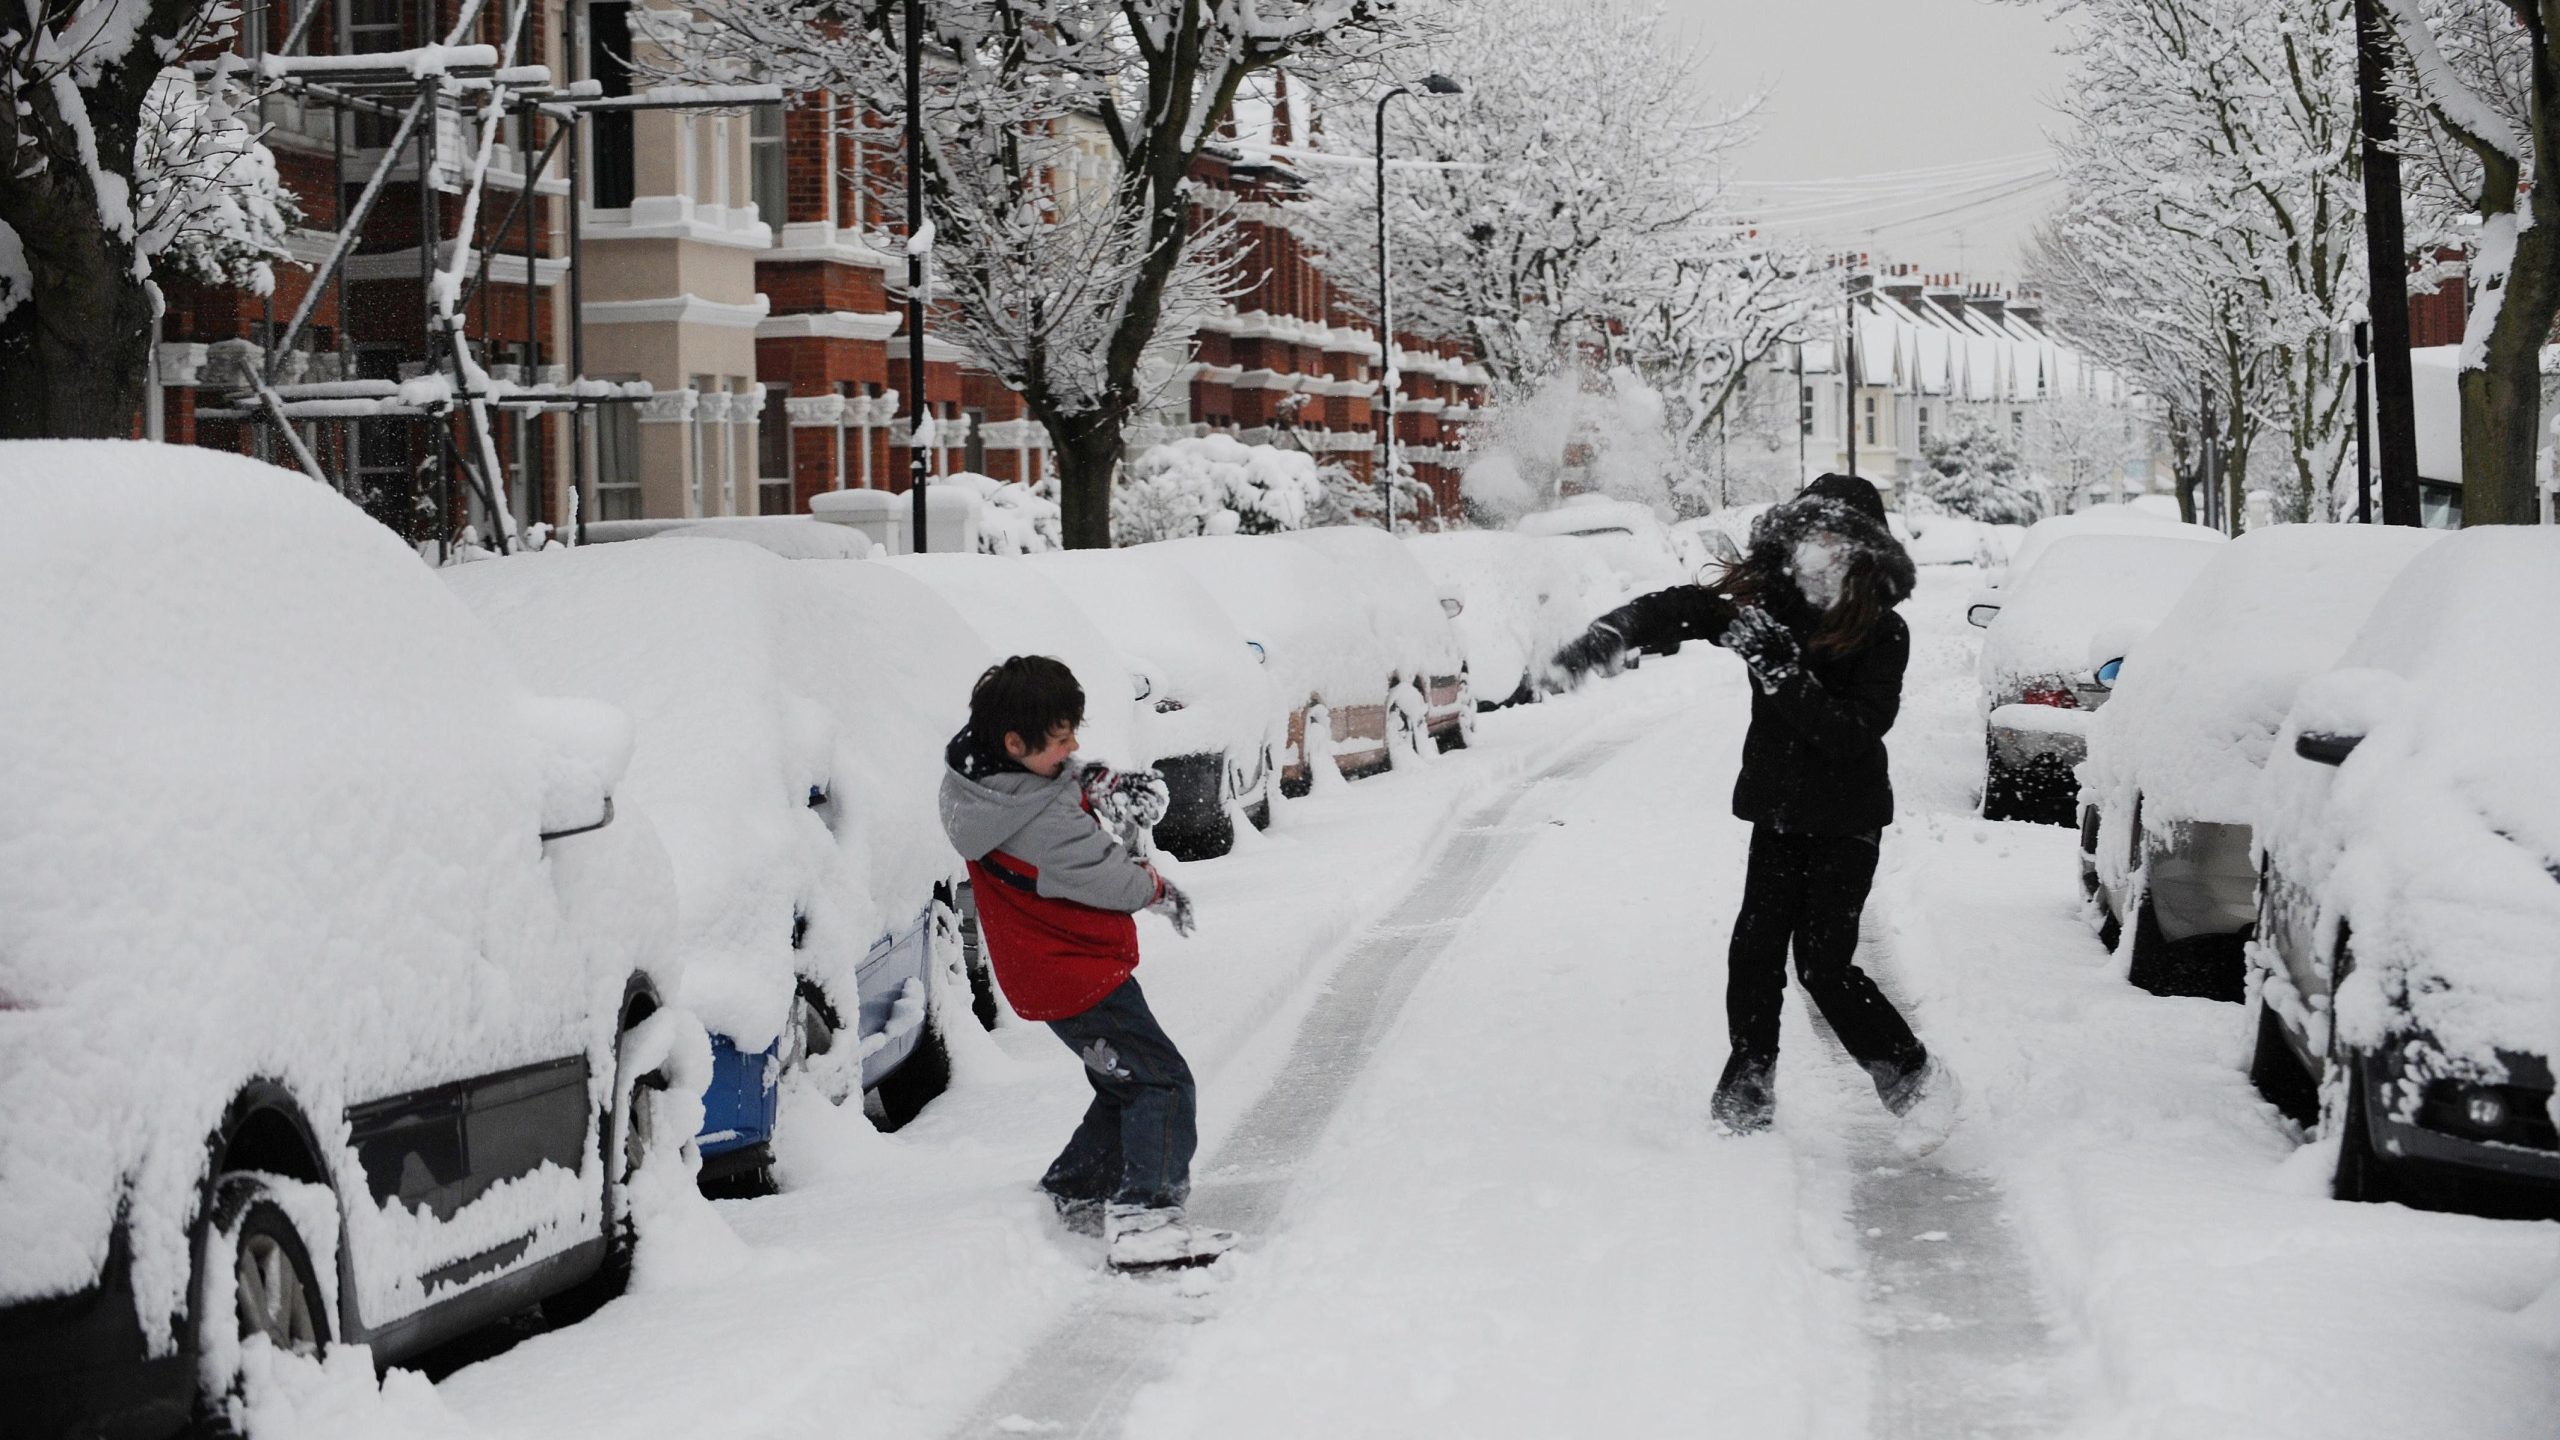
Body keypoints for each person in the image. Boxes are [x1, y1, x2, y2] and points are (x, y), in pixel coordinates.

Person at [1552, 475, 1960, 1151]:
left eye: (1836, 539)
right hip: (1777, 812)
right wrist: (1611, 633)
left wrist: (1783, 673)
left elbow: (1854, 733)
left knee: (1823, 965)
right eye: (1811, 535)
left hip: (1847, 819)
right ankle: (1748, 1083)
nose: (1819, 550)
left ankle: (1912, 1076)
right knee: (1755, 952)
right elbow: (1688, 607)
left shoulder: (1885, 633)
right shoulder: (1772, 607)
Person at [937, 655, 1236, 1270]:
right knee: (1162, 1081)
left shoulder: (978, 786)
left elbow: (1042, 782)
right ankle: (1147, 1217)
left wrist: (1094, 779)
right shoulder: (1044, 823)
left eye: (1075, 730)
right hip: (1079, 972)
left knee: (1124, 1080)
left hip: (1046, 970)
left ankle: (1076, 1191)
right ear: (1015, 742)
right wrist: (1159, 888)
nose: (1074, 745)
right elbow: (1110, 878)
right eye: (1062, 738)